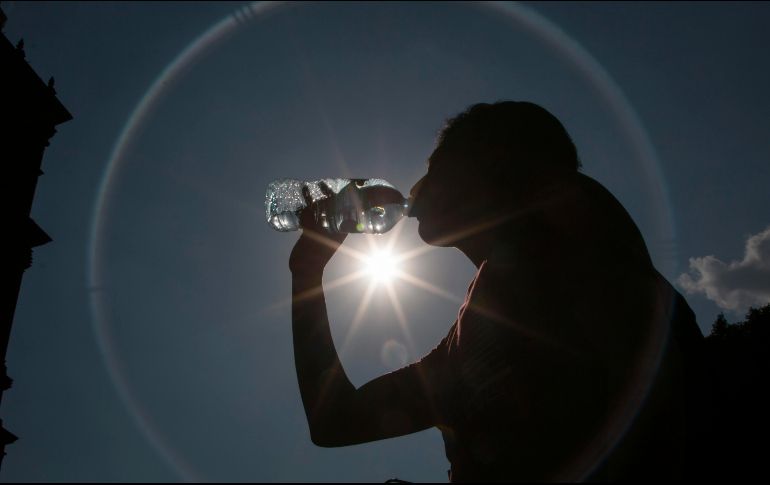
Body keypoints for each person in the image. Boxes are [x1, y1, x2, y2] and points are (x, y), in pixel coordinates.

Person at [288, 101, 711, 482]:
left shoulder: (591, 253)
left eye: (433, 175)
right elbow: (336, 422)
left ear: (497, 171)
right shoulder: (459, 354)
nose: (417, 196)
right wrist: (306, 273)